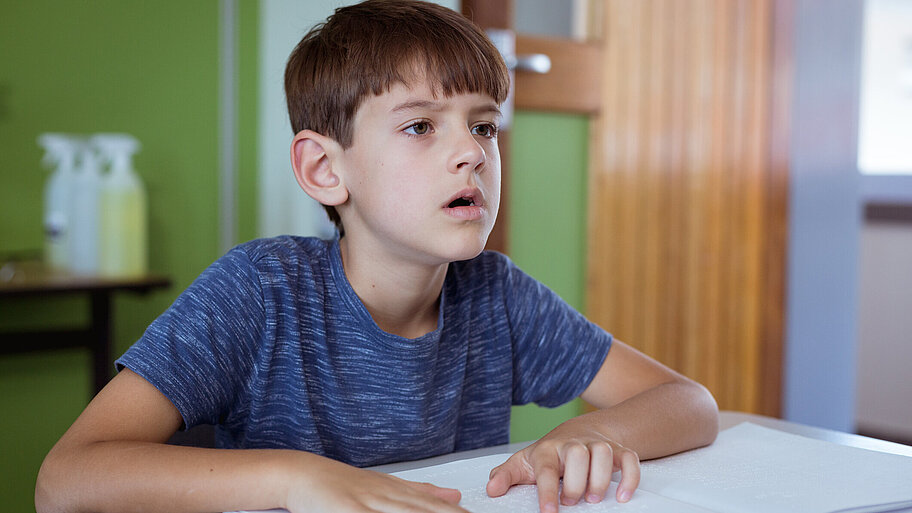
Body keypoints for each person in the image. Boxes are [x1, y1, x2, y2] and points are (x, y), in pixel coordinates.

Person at [35, 1, 719, 512]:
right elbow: (65, 479)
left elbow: (689, 402)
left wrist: (589, 431)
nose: (473, 152)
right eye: (421, 125)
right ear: (326, 169)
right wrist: (295, 475)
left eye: (484, 125)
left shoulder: (497, 295)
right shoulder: (259, 290)